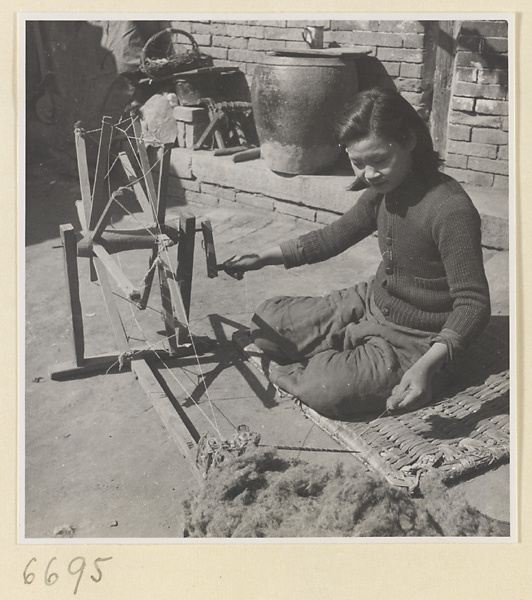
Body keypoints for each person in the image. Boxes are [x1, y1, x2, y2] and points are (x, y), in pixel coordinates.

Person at [222, 88, 491, 419]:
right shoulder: (381, 189)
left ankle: (322, 365)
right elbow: (334, 236)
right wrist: (263, 257)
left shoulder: (450, 209)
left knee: (325, 389)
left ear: (408, 141)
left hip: (418, 339)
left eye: (379, 160)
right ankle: (340, 345)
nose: (369, 174)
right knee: (269, 324)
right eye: (357, 163)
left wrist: (427, 367)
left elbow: (473, 303)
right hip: (370, 302)